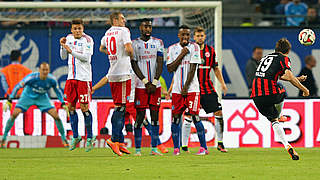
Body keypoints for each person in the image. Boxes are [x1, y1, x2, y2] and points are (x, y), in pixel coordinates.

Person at [251, 38, 309, 160]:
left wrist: (296, 78)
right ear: (288, 51)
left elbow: (276, 74)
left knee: (273, 120)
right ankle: (280, 114)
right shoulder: (284, 58)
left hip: (256, 96)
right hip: (269, 93)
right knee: (281, 90)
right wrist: (304, 89)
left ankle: (287, 145)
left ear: (276, 49)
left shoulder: (266, 58)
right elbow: (288, 75)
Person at [180, 26, 228, 153]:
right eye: (197, 36)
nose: (200, 38)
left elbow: (216, 69)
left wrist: (222, 84)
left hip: (207, 87)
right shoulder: (189, 50)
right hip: (193, 88)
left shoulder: (210, 51)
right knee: (189, 115)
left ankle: (220, 143)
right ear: (194, 37)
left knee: (219, 112)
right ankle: (184, 146)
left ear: (205, 37)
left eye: (202, 35)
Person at [0, 62, 69, 148]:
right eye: (43, 70)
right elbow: (18, 86)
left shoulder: (52, 80)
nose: (45, 72)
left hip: (42, 97)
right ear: (39, 70)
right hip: (27, 96)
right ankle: (4, 138)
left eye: (46, 70)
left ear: (49, 70)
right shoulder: (31, 78)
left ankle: (64, 139)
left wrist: (62, 103)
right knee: (14, 114)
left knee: (56, 116)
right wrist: (10, 100)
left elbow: (58, 92)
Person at [167, 25, 208, 155]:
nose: (185, 37)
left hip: (191, 89)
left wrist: (185, 87)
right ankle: (176, 148)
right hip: (177, 91)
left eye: (187, 35)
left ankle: (203, 148)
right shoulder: (172, 49)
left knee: (195, 116)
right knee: (176, 118)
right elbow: (169, 68)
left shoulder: (194, 47)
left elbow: (193, 68)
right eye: (183, 35)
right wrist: (181, 55)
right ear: (178, 35)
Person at [131, 18, 168, 156]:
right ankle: (138, 149)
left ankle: (154, 149)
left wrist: (155, 80)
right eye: (145, 26)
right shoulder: (134, 44)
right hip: (141, 86)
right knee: (140, 117)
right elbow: (134, 64)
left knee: (155, 116)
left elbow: (160, 62)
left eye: (149, 27)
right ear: (140, 27)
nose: (147, 29)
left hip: (155, 86)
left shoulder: (158, 42)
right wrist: (146, 81)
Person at [99, 11, 133, 156]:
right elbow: (129, 49)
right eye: (122, 18)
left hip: (112, 73)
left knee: (119, 107)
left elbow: (101, 48)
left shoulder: (107, 33)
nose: (124, 21)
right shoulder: (124, 31)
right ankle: (114, 139)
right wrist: (131, 55)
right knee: (121, 108)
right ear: (115, 20)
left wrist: (114, 55)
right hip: (123, 73)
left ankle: (119, 142)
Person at [60, 18, 95, 152]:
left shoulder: (88, 40)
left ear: (83, 29)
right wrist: (63, 46)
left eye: (79, 28)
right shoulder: (68, 38)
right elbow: (63, 57)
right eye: (75, 29)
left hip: (84, 78)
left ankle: (90, 137)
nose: (77, 31)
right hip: (71, 78)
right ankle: (76, 136)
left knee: (85, 108)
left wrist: (70, 50)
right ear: (71, 29)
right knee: (71, 107)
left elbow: (86, 58)